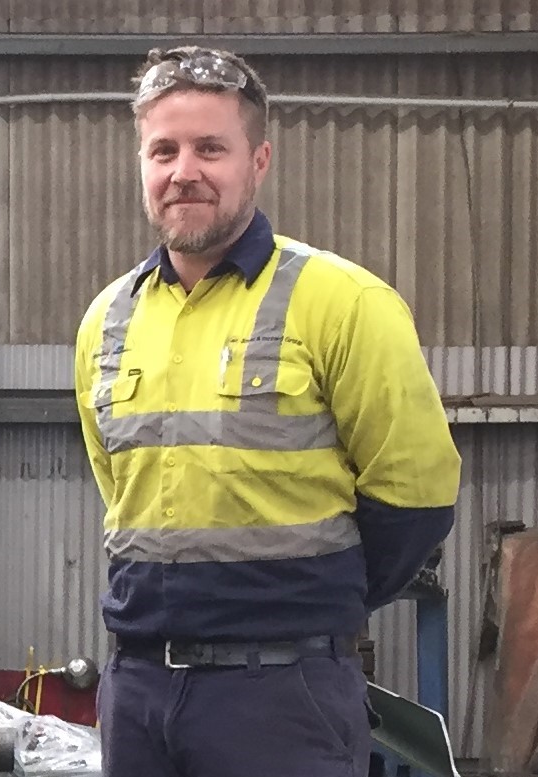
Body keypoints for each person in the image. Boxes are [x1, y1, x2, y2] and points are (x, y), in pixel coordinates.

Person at [74, 46, 461, 776]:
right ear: (142, 163)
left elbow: (416, 497)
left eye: (210, 148)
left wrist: (306, 606)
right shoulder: (107, 320)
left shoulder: (343, 302)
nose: (183, 171)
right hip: (138, 693)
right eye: (163, 150)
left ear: (258, 160)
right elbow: (117, 486)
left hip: (283, 696)